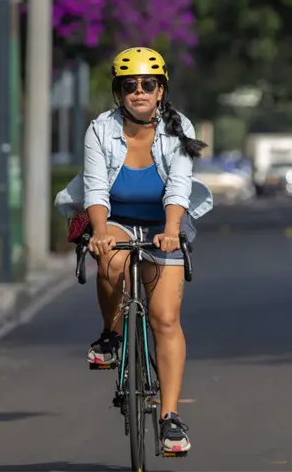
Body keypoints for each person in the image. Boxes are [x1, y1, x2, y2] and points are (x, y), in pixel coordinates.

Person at [54, 47, 213, 455]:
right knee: (110, 262)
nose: (139, 92)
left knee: (165, 318)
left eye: (147, 84)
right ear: (118, 93)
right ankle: (112, 335)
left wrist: (172, 231)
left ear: (160, 91)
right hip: (116, 217)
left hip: (165, 223)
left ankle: (170, 417)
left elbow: (178, 185)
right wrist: (100, 233)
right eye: (130, 86)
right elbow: (95, 188)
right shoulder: (100, 129)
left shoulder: (179, 128)